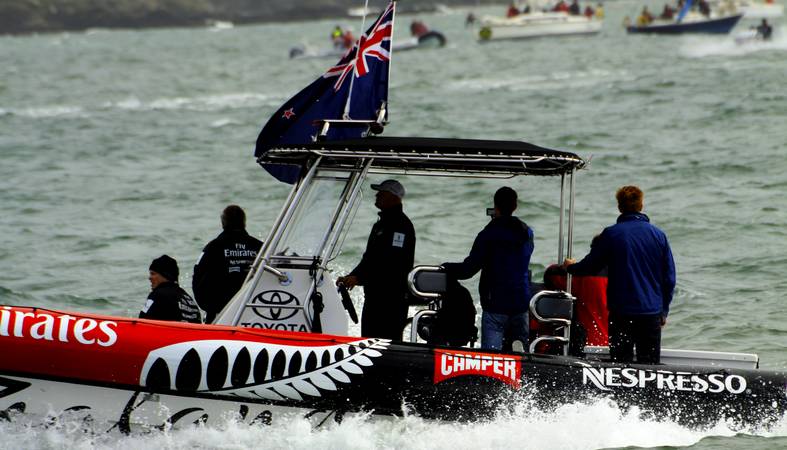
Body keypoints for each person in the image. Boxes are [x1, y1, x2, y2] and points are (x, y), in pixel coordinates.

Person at [563, 186, 675, 364]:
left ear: (620, 207)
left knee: (621, 365)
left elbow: (591, 267)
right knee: (650, 366)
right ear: (641, 205)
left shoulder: (611, 234)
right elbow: (669, 278)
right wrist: (664, 311)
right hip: (651, 312)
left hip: (622, 312)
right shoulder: (658, 235)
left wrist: (571, 267)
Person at [442, 187, 534, 351]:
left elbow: (468, 269)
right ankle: (519, 356)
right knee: (520, 357)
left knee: (491, 357)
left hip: (496, 304)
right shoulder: (527, 233)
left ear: (496, 206)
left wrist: (445, 268)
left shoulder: (488, 234)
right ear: (515, 206)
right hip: (521, 301)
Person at [336, 180, 416, 340]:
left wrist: (359, 279)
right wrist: (351, 276)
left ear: (394, 197)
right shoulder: (380, 225)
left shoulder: (401, 225)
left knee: (386, 344)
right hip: (374, 297)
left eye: (382, 192)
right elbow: (369, 260)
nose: (377, 195)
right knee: (368, 341)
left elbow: (392, 264)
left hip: (391, 300)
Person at [192, 205, 263, 324]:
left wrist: (210, 307)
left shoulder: (213, 247)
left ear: (223, 222)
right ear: (244, 222)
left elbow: (198, 278)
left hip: (221, 315)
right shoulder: (260, 247)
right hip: (254, 314)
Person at [140, 255, 202, 323]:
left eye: (153, 274)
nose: (150, 278)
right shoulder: (189, 300)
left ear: (165, 275)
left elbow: (141, 321)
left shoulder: (158, 295)